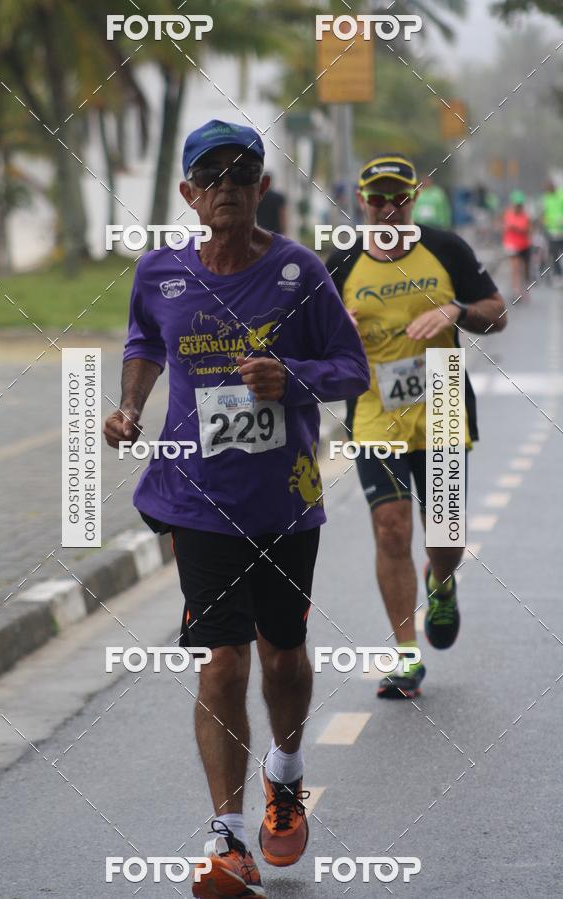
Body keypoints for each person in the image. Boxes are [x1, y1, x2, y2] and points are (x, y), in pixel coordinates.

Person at [104, 119, 370, 898]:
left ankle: (284, 774)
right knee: (222, 660)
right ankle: (226, 838)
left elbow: (351, 371)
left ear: (262, 187)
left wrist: (291, 377)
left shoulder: (300, 273)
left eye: (241, 170)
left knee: (282, 653)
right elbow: (144, 339)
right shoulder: (159, 272)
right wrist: (128, 408)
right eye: (210, 173)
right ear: (188, 193)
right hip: (196, 497)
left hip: (284, 499)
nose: (226, 183)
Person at [326, 153, 507, 700]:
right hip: (376, 409)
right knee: (391, 528)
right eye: (377, 199)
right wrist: (336, 332)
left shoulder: (446, 248)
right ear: (361, 201)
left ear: (414, 197)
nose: (387, 209)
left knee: (445, 537)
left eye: (398, 198)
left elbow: (497, 312)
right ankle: (406, 656)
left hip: (444, 398)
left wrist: (456, 311)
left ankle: (442, 580)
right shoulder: (337, 263)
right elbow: (306, 342)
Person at [502, 190, 532, 300]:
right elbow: (508, 226)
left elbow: (527, 229)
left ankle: (524, 290)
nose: (518, 206)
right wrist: (518, 228)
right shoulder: (509, 214)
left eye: (520, 204)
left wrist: (518, 228)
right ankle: (516, 291)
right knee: (515, 268)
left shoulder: (525, 215)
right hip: (512, 245)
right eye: (517, 204)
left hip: (524, 245)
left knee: (524, 269)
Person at [541, 180, 563, 281]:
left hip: (561, 230)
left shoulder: (560, 195)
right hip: (552, 231)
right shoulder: (546, 199)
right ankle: (558, 274)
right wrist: (545, 223)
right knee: (554, 254)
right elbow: (545, 214)